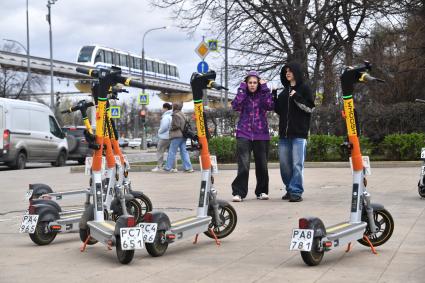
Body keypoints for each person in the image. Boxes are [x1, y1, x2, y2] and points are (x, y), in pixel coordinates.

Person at [273, 62, 315, 202]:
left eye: (290, 71)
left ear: (296, 72)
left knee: (297, 164)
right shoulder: (284, 91)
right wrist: (274, 95)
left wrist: (297, 96)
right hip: (284, 135)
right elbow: (279, 110)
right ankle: (289, 189)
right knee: (284, 165)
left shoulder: (304, 88)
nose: (288, 73)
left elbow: (310, 108)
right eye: (286, 72)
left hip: (299, 134)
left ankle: (296, 191)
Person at [231, 70, 274, 202]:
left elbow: (270, 106)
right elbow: (235, 106)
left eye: (255, 82)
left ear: (258, 83)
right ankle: (239, 193)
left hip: (261, 134)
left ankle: (261, 191)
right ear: (246, 83)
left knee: (262, 165)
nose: (252, 85)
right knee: (243, 165)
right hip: (244, 133)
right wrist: (242, 90)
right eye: (250, 82)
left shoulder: (263, 94)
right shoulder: (243, 95)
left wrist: (266, 89)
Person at [163, 102, 194, 173]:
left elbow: (176, 125)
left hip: (177, 135)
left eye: (173, 106)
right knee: (184, 152)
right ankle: (188, 168)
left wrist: (170, 128)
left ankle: (168, 167)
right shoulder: (183, 114)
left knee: (172, 151)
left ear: (175, 107)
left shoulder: (175, 115)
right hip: (183, 135)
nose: (172, 107)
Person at [152, 103, 177, 172]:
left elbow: (164, 127)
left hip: (164, 137)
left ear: (166, 108)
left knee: (160, 151)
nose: (162, 109)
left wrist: (159, 131)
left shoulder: (166, 116)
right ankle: (174, 167)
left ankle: (159, 166)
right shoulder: (172, 115)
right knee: (172, 152)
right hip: (172, 136)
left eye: (163, 108)